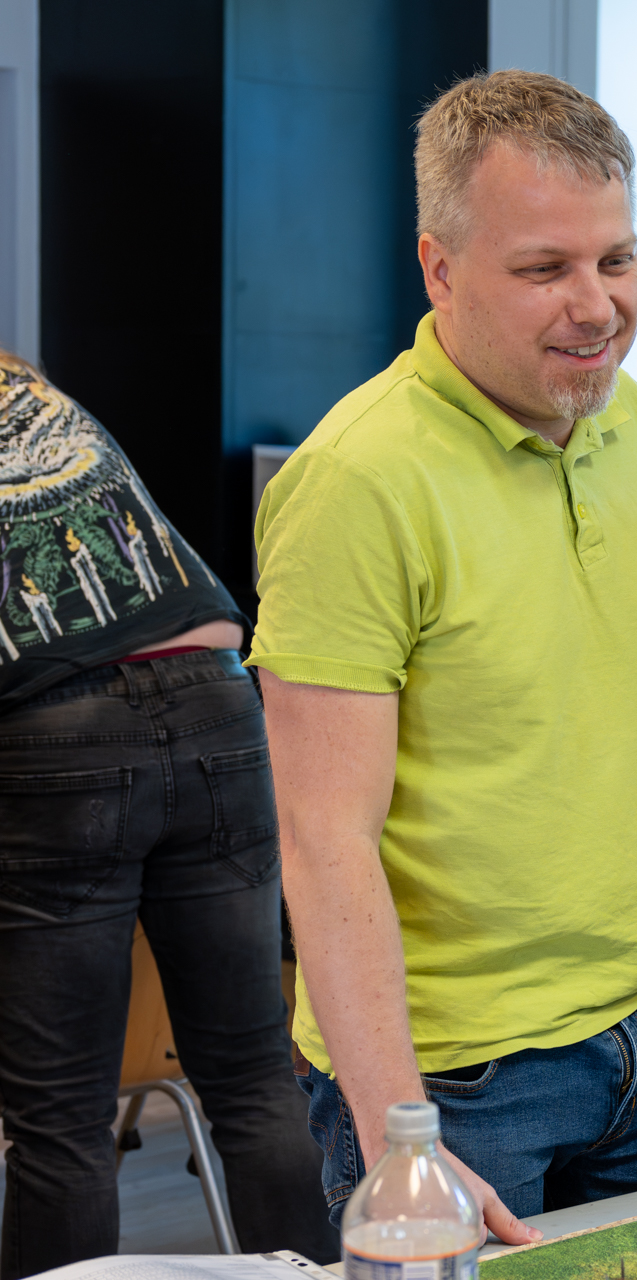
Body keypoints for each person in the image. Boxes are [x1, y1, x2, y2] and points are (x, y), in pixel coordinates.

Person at [248, 71, 637, 1245]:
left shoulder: (625, 417)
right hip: (456, 1083)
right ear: (441, 268)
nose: (597, 306)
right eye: (544, 267)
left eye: (617, 258)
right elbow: (323, 837)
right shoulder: (357, 481)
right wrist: (397, 1135)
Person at [0, 350, 335, 1277]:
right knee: (255, 1079)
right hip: (214, 691)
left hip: (59, 729)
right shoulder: (26, 386)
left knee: (61, 1119)